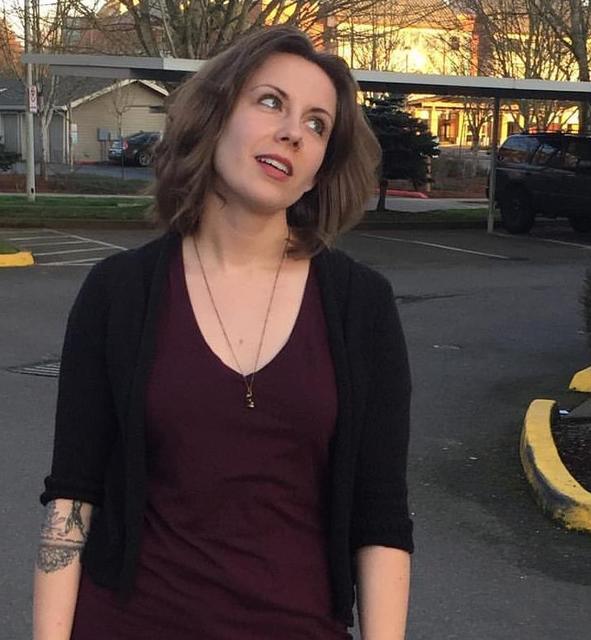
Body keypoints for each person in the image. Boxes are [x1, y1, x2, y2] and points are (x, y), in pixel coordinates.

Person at [33, 25, 414, 640]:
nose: (293, 131)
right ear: (214, 118)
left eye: (317, 125)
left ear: (318, 170)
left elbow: (382, 519)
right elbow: (72, 498)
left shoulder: (360, 306)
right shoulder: (118, 293)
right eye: (271, 101)